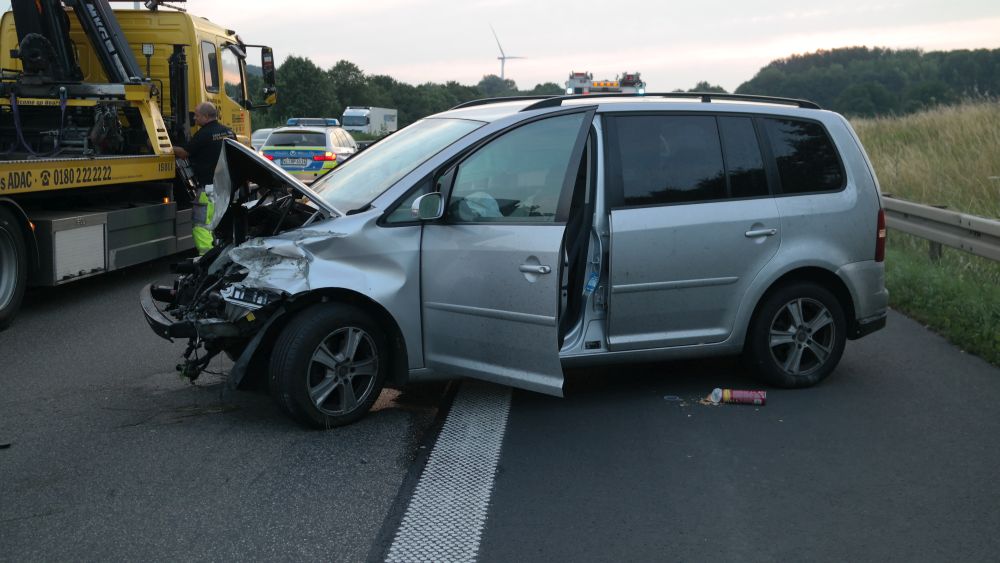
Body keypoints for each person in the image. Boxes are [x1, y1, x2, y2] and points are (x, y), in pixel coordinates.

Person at [173, 102, 236, 254]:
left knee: (202, 225)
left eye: (197, 115)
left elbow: (184, 153)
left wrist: (164, 146)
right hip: (227, 188)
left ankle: (206, 256)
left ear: (206, 117)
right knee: (221, 223)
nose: (194, 118)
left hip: (209, 190)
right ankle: (224, 254)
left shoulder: (204, 134)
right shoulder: (229, 132)